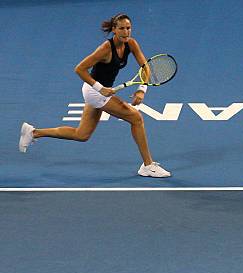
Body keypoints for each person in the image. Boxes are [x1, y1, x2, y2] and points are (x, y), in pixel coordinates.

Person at [18, 13, 171, 178]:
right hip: (94, 91)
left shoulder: (131, 44)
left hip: (100, 92)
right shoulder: (105, 48)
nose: (126, 32)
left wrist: (142, 89)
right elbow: (79, 69)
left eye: (128, 28)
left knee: (82, 134)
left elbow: (146, 67)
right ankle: (148, 165)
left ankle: (34, 132)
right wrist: (100, 88)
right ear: (114, 30)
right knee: (136, 118)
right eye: (121, 28)